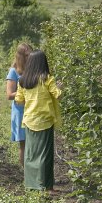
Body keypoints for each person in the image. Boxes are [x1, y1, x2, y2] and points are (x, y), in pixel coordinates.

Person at [14, 50, 61, 191]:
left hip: (29, 121)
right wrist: (60, 87)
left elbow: (18, 100)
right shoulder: (47, 79)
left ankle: (30, 183)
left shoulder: (23, 80)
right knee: (45, 154)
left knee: (30, 153)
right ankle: (45, 185)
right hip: (45, 121)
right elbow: (57, 95)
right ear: (43, 63)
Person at [6, 43, 33, 166]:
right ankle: (25, 172)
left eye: (30, 55)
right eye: (27, 55)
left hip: (33, 111)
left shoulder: (32, 71)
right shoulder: (14, 72)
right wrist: (25, 92)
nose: (29, 58)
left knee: (33, 142)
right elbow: (9, 95)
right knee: (23, 144)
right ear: (20, 56)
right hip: (20, 112)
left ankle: (32, 169)